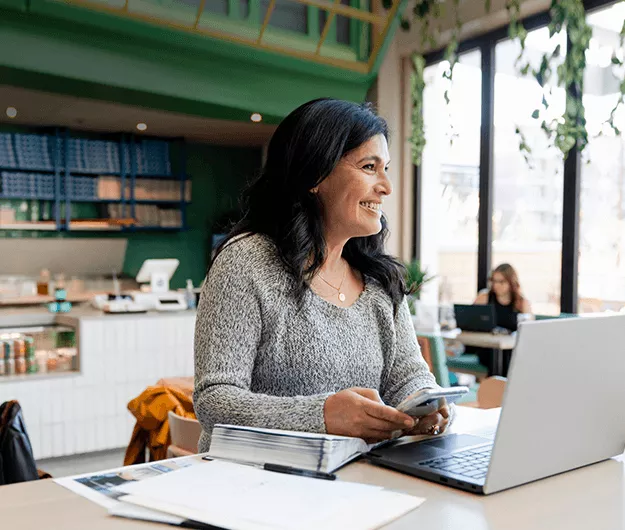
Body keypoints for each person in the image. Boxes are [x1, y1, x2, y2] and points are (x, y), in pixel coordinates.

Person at [193, 98, 451, 452]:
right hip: (252, 486)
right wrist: (322, 415)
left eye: (385, 167)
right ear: (315, 175)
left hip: (353, 482)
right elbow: (214, 401)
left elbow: (408, 375)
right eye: (369, 166)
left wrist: (425, 404)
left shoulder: (379, 280)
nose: (386, 186)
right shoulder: (246, 261)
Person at [472, 263, 532, 376]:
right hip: (487, 347)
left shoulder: (521, 303)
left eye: (501, 282)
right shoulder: (484, 298)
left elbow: (529, 330)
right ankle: (498, 389)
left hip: (511, 349)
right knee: (499, 357)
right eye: (494, 281)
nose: (496, 285)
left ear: (511, 282)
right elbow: (471, 321)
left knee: (508, 357)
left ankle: (499, 389)